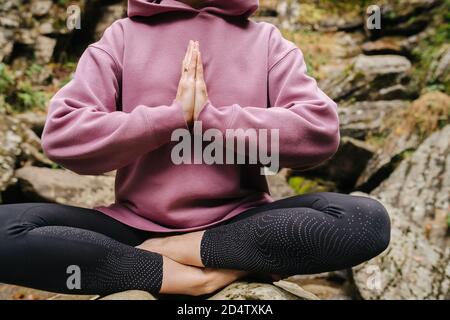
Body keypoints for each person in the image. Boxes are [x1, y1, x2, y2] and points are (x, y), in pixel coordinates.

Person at [0, 0, 390, 297]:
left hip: (241, 224)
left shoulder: (267, 41)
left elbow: (320, 131)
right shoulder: (121, 37)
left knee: (364, 219)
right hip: (132, 227)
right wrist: (169, 119)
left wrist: (212, 120)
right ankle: (180, 275)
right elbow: (62, 135)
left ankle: (178, 250)